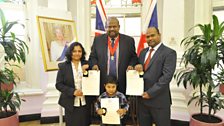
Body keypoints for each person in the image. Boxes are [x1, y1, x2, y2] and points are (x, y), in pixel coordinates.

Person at [135, 27, 177, 126]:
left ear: (159, 35)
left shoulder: (169, 53)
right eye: (147, 36)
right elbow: (140, 72)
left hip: (159, 101)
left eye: (152, 35)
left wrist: (150, 93)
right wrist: (137, 67)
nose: (150, 38)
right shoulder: (143, 52)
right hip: (142, 100)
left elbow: (166, 77)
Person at [89, 17, 138, 94]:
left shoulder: (129, 40)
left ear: (119, 27)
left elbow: (134, 57)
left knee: (121, 104)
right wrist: (94, 64)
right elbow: (92, 57)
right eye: (109, 27)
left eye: (114, 26)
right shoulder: (98, 40)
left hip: (122, 82)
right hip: (103, 83)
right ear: (105, 28)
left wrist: (131, 65)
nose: (112, 29)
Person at [55, 42, 93, 126]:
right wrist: (73, 91)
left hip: (85, 101)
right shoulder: (63, 66)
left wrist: (89, 70)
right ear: (70, 52)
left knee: (85, 123)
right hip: (70, 102)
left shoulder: (88, 65)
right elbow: (59, 84)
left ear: (82, 53)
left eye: (79, 51)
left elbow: (93, 80)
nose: (77, 53)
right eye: (74, 51)